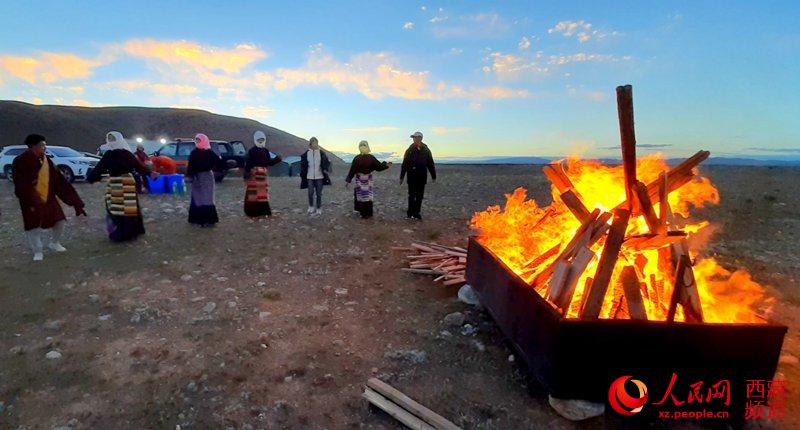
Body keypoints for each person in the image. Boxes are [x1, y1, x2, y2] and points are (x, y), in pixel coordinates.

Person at [12, 134, 86, 261]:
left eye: (45, 145)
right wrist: (32, 198)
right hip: (30, 200)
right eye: (42, 145)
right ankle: (37, 251)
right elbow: (20, 183)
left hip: (49, 197)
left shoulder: (46, 161)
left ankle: (54, 243)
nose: (45, 147)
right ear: (33, 146)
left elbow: (60, 182)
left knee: (60, 221)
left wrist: (76, 202)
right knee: (33, 226)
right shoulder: (20, 161)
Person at [87, 131, 157, 242]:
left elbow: (98, 169)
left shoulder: (109, 155)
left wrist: (92, 178)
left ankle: (120, 232)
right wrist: (150, 173)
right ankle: (133, 231)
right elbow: (140, 167)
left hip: (115, 183)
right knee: (129, 207)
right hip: (127, 182)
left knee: (116, 207)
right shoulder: (126, 154)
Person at [345, 140, 391, 218]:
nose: (362, 147)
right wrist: (386, 165)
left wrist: (348, 180)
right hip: (367, 179)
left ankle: (362, 212)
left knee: (362, 196)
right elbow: (379, 166)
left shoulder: (357, 158)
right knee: (367, 196)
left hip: (361, 179)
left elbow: (352, 170)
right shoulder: (370, 158)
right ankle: (367, 213)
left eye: (363, 146)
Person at [243, 131, 282, 217]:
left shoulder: (265, 151)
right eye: (259, 139)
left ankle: (263, 211)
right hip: (254, 174)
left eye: (262, 139)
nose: (260, 141)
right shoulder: (251, 151)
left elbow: (269, 162)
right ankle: (252, 212)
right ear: (255, 140)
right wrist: (246, 174)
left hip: (263, 175)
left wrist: (277, 159)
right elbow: (248, 163)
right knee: (252, 193)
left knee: (262, 194)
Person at [186, 133, 222, 226]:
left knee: (207, 198)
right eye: (196, 140)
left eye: (199, 140)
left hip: (207, 177)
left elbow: (219, 163)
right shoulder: (194, 152)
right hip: (196, 178)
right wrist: (189, 176)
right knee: (197, 198)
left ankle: (209, 220)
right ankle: (198, 219)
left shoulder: (209, 152)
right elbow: (190, 166)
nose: (197, 142)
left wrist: (217, 170)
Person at [399, 131, 436, 220]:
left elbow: (430, 164)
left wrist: (433, 176)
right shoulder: (409, 150)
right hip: (411, 176)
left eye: (415, 137)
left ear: (420, 138)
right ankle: (410, 213)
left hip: (421, 177)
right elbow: (404, 164)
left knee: (419, 196)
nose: (414, 139)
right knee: (411, 195)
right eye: (413, 137)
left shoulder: (426, 150)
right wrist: (401, 177)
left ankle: (416, 213)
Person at [299, 137, 332, 216]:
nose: (315, 144)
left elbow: (326, 163)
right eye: (313, 143)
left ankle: (319, 208)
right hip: (309, 176)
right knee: (310, 193)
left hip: (319, 176)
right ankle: (311, 206)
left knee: (319, 194)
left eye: (316, 143)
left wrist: (327, 165)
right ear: (310, 144)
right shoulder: (306, 153)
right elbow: (303, 165)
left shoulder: (321, 153)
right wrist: (302, 172)